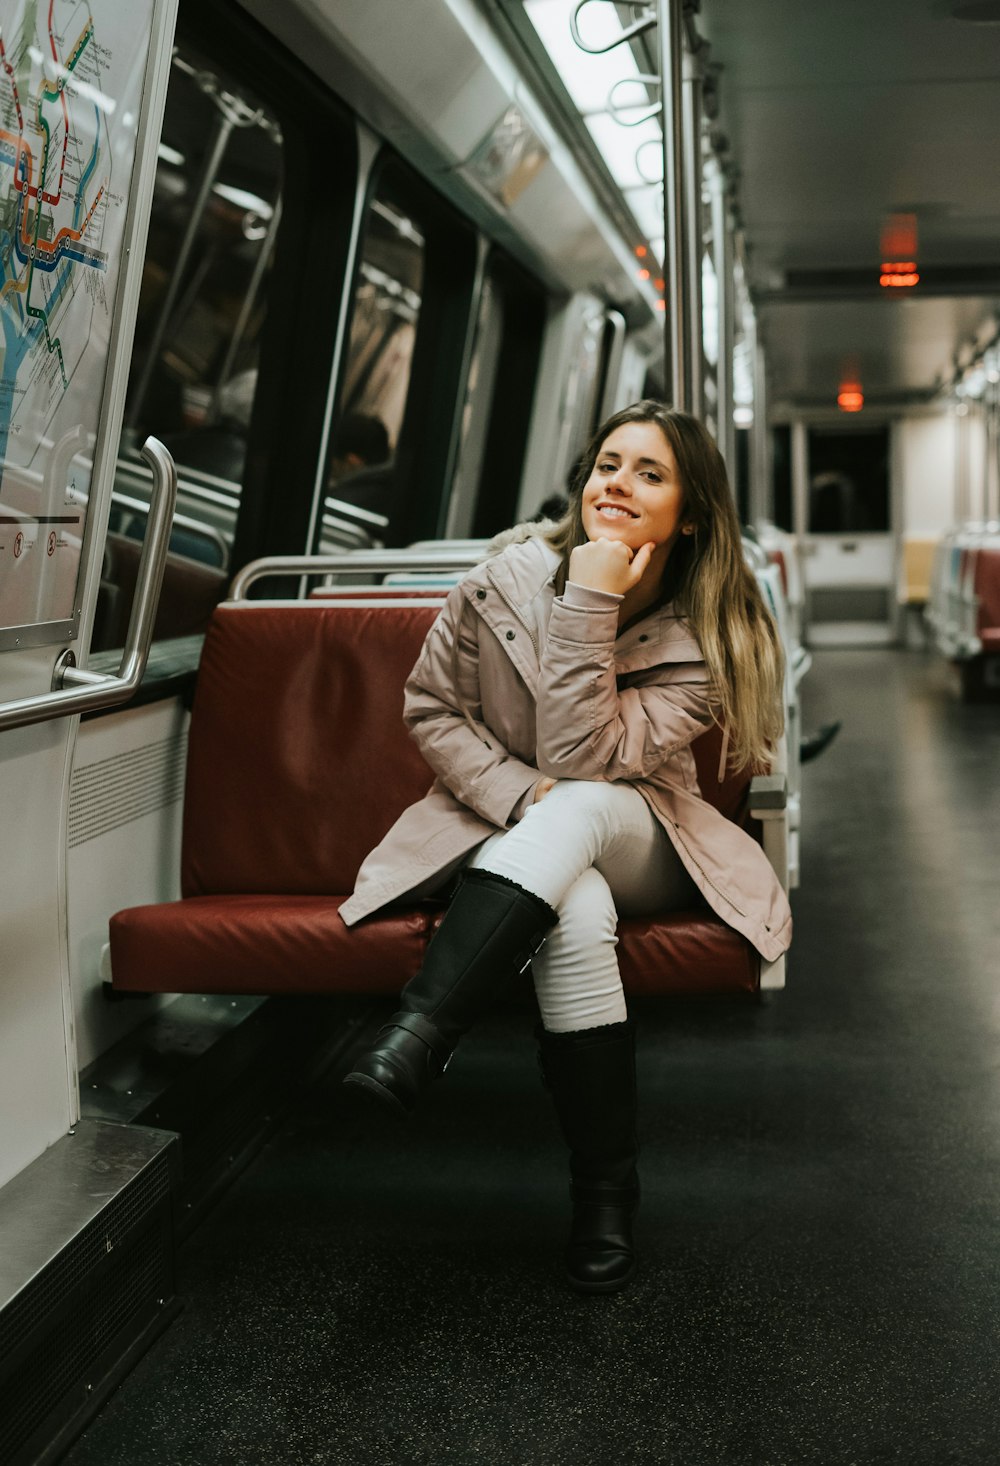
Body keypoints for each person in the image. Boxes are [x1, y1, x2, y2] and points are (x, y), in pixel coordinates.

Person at [339, 401, 792, 1294]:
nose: (618, 484)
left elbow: (587, 760)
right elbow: (432, 707)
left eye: (650, 474)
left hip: (644, 830)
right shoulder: (504, 577)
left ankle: (423, 1030)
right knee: (576, 912)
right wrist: (515, 794)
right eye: (608, 464)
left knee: (583, 807)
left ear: (690, 515)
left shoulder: (711, 635)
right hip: (519, 824)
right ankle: (605, 1194)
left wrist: (590, 593)